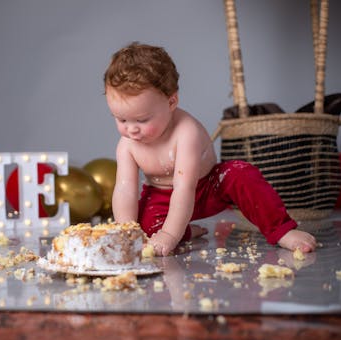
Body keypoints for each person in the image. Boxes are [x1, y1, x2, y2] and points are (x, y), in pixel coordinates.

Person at [104, 42, 317, 256]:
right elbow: (125, 190)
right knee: (145, 227)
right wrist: (127, 232)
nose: (131, 129)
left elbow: (184, 187)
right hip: (161, 198)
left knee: (240, 174)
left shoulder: (186, 132)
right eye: (121, 119)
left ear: (171, 102)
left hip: (207, 188)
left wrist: (169, 234)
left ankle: (281, 230)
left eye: (142, 119)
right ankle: (184, 231)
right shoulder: (127, 146)